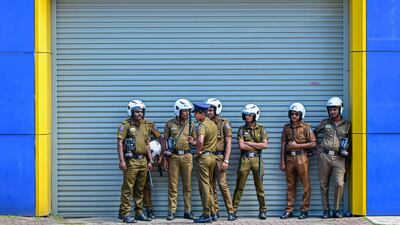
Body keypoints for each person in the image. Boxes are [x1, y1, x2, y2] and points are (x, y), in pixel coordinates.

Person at [117, 100, 161, 223]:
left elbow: (147, 144)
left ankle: (138, 213)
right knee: (127, 189)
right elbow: (120, 143)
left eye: (141, 112)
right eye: (136, 112)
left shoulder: (145, 125)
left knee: (140, 189)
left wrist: (150, 161)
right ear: (131, 112)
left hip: (143, 161)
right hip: (131, 161)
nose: (139, 114)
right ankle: (125, 214)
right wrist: (122, 161)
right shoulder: (125, 125)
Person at [314, 97, 351, 219]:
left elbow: (351, 141)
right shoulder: (325, 122)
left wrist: (348, 157)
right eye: (330, 110)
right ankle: (326, 210)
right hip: (324, 156)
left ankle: (337, 209)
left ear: (340, 109)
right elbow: (313, 133)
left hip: (339, 158)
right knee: (323, 184)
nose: (332, 112)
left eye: (334, 109)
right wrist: (316, 146)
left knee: (339, 184)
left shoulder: (347, 125)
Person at [279, 103, 316, 220]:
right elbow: (283, 144)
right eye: (292, 114)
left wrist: (297, 146)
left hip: (302, 158)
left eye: (296, 114)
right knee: (290, 185)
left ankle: (304, 210)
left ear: (301, 115)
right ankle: (289, 210)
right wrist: (282, 161)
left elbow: (313, 143)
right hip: (289, 159)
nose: (293, 116)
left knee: (306, 185)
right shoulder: (286, 127)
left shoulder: (306, 127)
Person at [162, 99, 197, 221]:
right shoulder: (170, 124)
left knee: (187, 186)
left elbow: (196, 142)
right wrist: (164, 159)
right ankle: (171, 211)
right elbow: (164, 141)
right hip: (173, 157)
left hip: (187, 157)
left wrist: (193, 141)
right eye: (184, 111)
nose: (187, 113)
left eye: (188, 111)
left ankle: (188, 211)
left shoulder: (191, 124)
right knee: (173, 186)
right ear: (178, 111)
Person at [232, 104, 268, 220]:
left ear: (255, 116)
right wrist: (256, 145)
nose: (247, 117)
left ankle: (263, 210)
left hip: (257, 159)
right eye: (246, 114)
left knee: (259, 187)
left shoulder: (261, 129)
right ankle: (233, 210)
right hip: (245, 159)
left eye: (250, 115)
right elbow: (242, 146)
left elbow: (264, 145)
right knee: (239, 186)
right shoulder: (241, 129)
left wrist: (250, 143)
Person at [205, 98, 235, 221]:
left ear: (217, 110)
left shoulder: (224, 123)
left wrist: (226, 160)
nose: (208, 112)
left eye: (211, 110)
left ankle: (231, 211)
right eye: (207, 110)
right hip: (208, 156)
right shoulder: (205, 123)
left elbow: (228, 143)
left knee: (222, 185)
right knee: (211, 186)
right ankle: (215, 211)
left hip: (219, 157)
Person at [189, 102, 218, 223]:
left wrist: (197, 151)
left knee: (204, 187)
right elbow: (205, 141)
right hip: (212, 157)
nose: (195, 115)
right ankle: (213, 213)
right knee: (210, 186)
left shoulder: (202, 125)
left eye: (196, 113)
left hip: (204, 159)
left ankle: (206, 215)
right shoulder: (212, 124)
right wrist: (194, 142)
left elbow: (201, 140)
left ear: (202, 113)